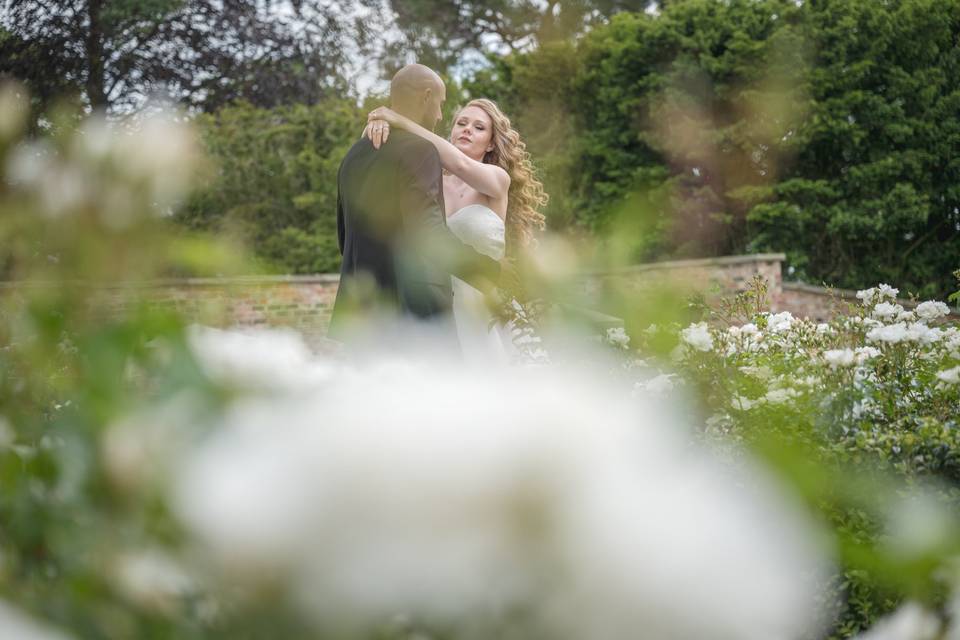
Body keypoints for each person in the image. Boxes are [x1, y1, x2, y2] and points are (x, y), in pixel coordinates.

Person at [328, 64, 503, 352]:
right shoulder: (422, 152)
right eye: (441, 105)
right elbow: (428, 235)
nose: (439, 115)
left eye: (478, 127)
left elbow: (344, 237)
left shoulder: (354, 154)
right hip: (415, 315)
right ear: (426, 96)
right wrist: (490, 271)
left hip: (364, 317)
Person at [363, 97, 547, 363]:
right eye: (461, 123)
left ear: (492, 142)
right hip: (439, 308)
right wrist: (382, 124)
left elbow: (459, 164)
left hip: (485, 307)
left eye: (479, 127)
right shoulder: (430, 182)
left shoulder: (497, 180)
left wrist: (398, 119)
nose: (467, 129)